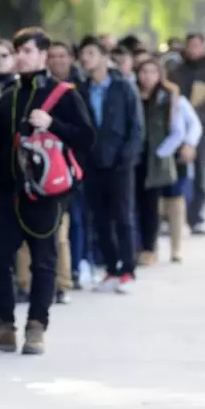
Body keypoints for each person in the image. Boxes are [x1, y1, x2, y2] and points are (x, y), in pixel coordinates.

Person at [0, 27, 95, 356]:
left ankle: (36, 327)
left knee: (43, 262)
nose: (21, 57)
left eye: (27, 51)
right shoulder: (8, 97)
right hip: (7, 193)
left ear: (44, 54)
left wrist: (53, 124)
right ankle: (4, 326)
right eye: (18, 51)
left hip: (46, 196)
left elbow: (86, 138)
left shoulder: (64, 94)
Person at [77, 35, 143, 293]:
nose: (85, 59)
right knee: (100, 219)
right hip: (92, 163)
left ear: (105, 57)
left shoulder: (123, 87)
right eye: (83, 54)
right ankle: (111, 268)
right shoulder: (80, 89)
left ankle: (128, 269)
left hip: (120, 163)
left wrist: (127, 157)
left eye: (91, 53)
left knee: (123, 217)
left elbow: (136, 127)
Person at [135, 58, 202, 264]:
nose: (148, 77)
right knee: (149, 203)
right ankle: (149, 246)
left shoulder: (173, 96)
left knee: (174, 201)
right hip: (144, 157)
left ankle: (176, 247)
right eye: (143, 71)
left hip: (172, 155)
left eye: (152, 72)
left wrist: (187, 145)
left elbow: (192, 125)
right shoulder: (133, 95)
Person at [167, 32, 205, 235]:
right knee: (177, 171)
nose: (193, 50)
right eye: (190, 45)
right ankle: (175, 216)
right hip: (179, 128)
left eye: (196, 45)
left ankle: (197, 217)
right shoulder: (176, 70)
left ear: (204, 46)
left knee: (203, 171)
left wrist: (192, 115)